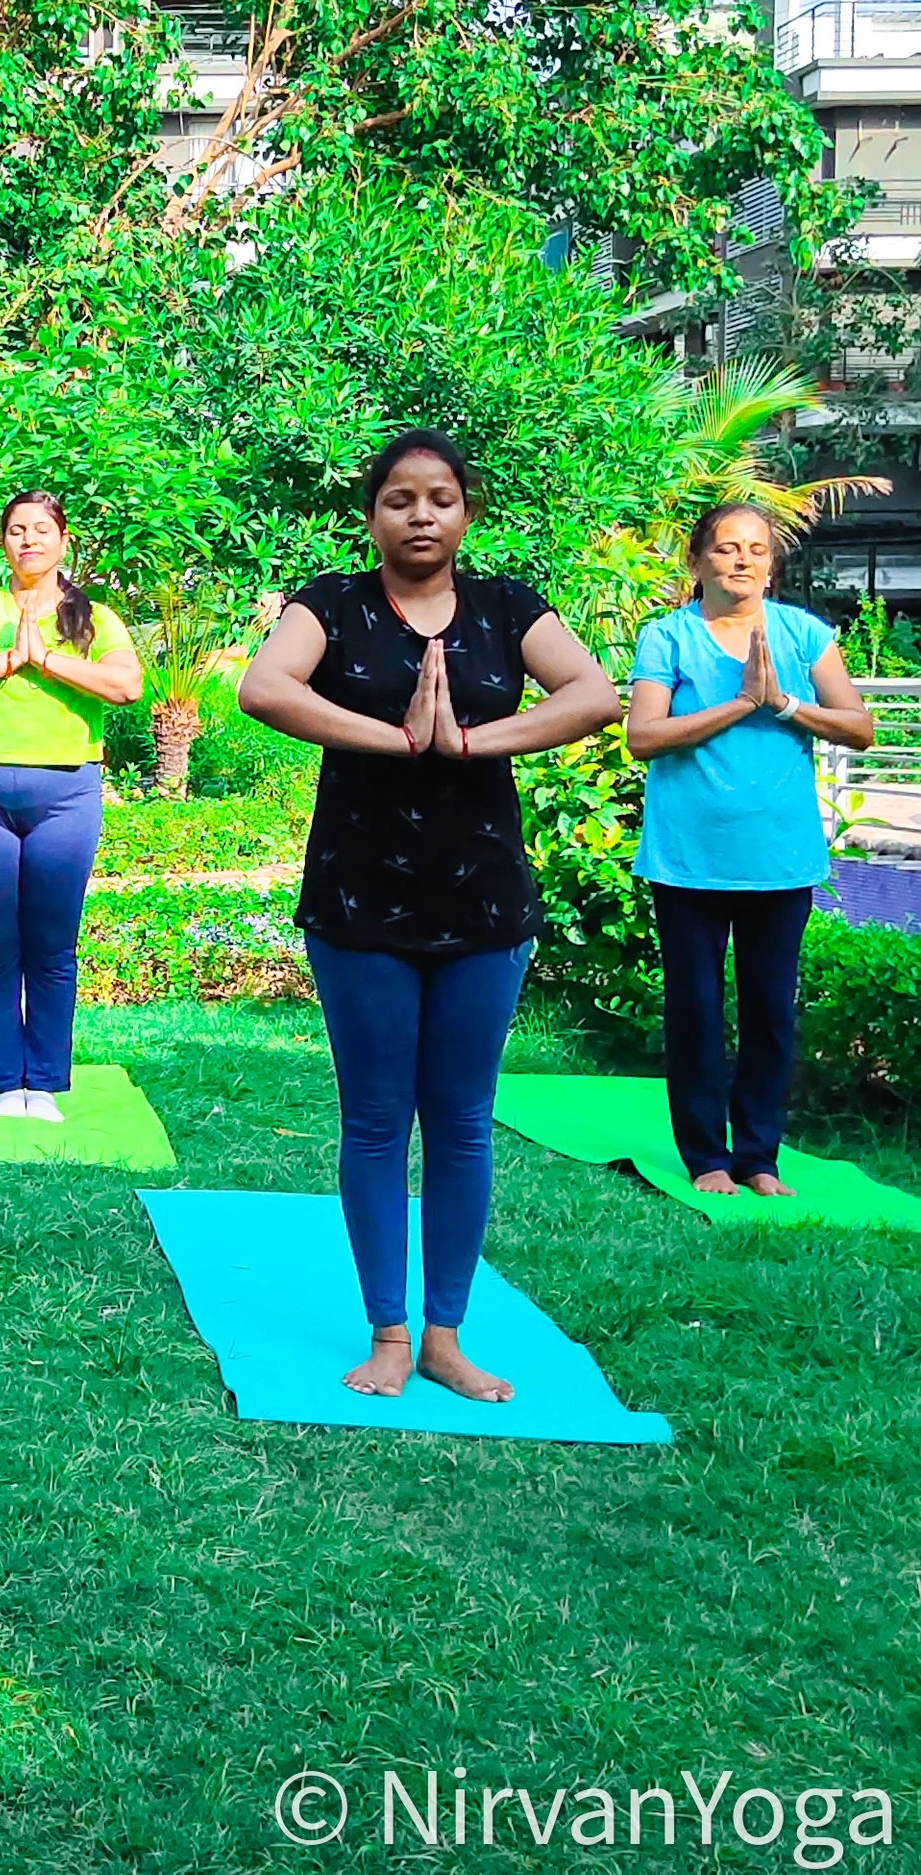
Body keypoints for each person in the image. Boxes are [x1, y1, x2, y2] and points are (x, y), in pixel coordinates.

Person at [237, 428, 620, 1406]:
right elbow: (263, 687)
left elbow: (592, 693)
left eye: (439, 498)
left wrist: (468, 741)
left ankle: (446, 1335)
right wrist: (395, 738)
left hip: (484, 904)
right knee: (374, 1120)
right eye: (398, 499)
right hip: (359, 901)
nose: (419, 515)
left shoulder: (505, 609)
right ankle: (389, 1333)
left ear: (466, 513)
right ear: (370, 516)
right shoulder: (330, 603)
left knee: (458, 1124)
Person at [625, 504, 876, 1197]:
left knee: (770, 1010)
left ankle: (760, 1157)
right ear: (698, 560)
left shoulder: (804, 634)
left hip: (779, 859)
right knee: (696, 1009)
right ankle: (707, 1155)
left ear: (772, 564)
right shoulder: (668, 636)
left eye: (757, 550)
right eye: (727, 548)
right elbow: (642, 736)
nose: (743, 560)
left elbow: (859, 726)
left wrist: (786, 704)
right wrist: (740, 703)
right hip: (686, 860)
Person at [0, 491, 143, 1118]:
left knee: (52, 944)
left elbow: (126, 685)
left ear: (63, 540)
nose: (28, 540)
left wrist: (47, 660)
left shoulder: (95, 618)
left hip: (67, 793)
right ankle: (4, 1082)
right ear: (2, 542)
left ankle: (47, 1082)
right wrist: (7, 660)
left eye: (40, 530)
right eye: (16, 530)